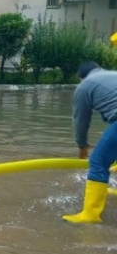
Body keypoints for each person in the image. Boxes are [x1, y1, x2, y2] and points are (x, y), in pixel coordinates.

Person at [62, 61, 117, 224]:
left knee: (98, 162)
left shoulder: (85, 86)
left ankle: (90, 215)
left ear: (81, 77)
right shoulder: (112, 75)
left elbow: (81, 120)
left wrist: (82, 145)